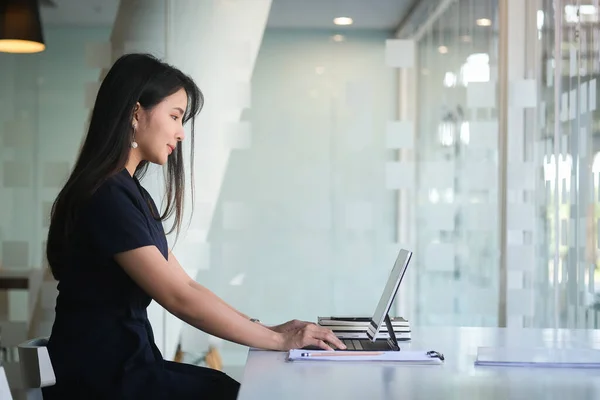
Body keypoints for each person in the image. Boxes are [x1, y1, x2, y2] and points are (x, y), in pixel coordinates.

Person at [43, 53, 346, 399]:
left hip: (124, 369)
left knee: (235, 389)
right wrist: (277, 340)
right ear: (135, 112)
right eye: (174, 116)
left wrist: (264, 329)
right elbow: (179, 297)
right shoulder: (107, 197)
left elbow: (186, 283)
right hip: (103, 382)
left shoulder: (127, 192)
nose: (180, 133)